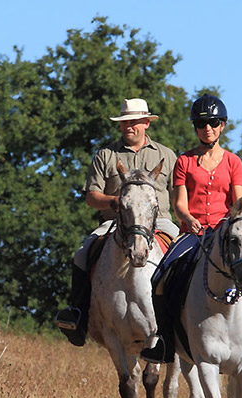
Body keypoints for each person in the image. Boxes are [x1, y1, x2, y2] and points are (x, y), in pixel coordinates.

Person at [144, 94, 242, 362]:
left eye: (214, 122)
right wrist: (188, 217)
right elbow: (179, 203)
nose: (207, 128)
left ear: (223, 125)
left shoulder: (234, 162)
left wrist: (236, 222)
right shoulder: (184, 161)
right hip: (193, 233)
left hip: (226, 232)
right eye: (201, 123)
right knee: (159, 277)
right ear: (195, 127)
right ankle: (164, 340)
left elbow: (239, 202)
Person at [54, 98, 180, 347]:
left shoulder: (167, 155)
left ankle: (183, 317)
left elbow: (177, 197)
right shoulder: (106, 155)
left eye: (133, 122)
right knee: (81, 254)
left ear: (146, 123)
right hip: (115, 221)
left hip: (160, 222)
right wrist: (115, 202)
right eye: (124, 123)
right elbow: (91, 196)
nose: (128, 127)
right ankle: (77, 316)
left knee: (185, 257)